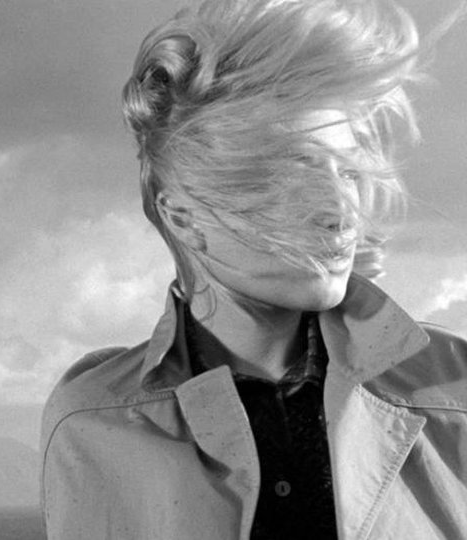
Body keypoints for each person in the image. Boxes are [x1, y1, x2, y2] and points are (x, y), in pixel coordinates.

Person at [41, 0, 467, 538]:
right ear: (183, 215)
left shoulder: (455, 386)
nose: (342, 211)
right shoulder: (93, 420)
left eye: (348, 172)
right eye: (296, 172)